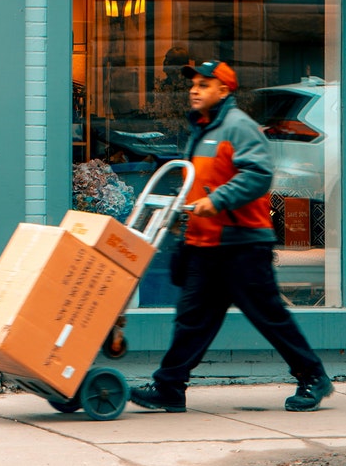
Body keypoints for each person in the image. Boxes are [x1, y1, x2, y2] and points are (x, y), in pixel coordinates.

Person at [129, 60, 333, 413]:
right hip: (207, 243)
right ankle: (170, 387)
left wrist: (217, 200)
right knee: (192, 318)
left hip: (242, 243)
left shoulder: (238, 127)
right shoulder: (204, 129)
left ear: (223, 91)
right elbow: (201, 182)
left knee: (268, 315)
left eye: (204, 84)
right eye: (193, 84)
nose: (194, 89)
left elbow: (258, 174)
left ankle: (313, 376)